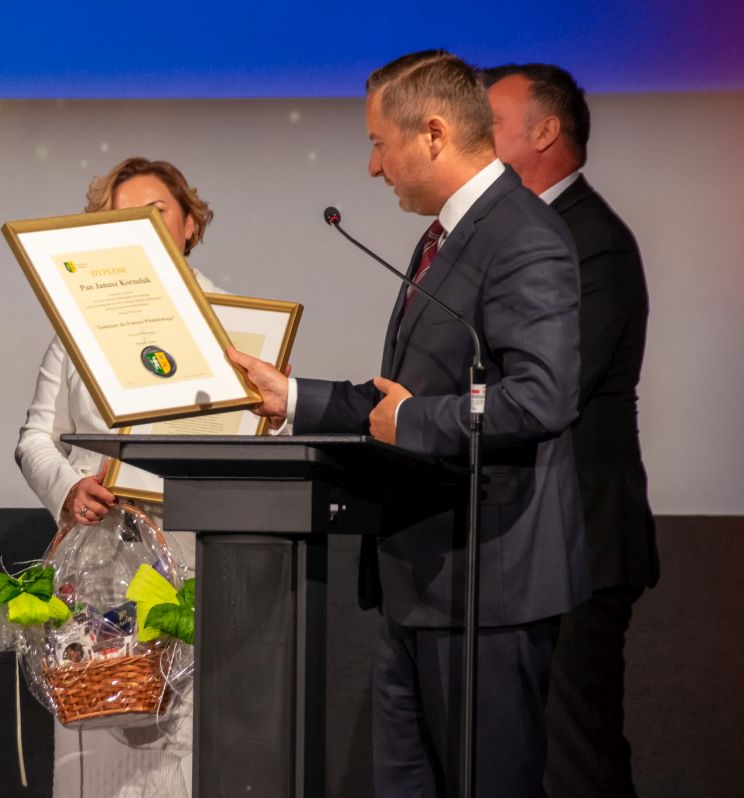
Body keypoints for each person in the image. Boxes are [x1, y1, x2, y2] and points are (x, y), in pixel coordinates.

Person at [227, 50, 589, 796]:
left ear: (432, 134)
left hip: (487, 587)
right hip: (421, 581)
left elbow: (542, 398)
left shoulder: (522, 235)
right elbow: (402, 398)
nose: (372, 167)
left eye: (377, 143)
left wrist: (417, 419)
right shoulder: (445, 237)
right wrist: (292, 399)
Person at [15, 157, 219, 798]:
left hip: (195, 557)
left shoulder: (231, 324)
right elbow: (35, 439)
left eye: (157, 212)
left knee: (185, 746)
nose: (144, 228)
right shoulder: (76, 327)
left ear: (189, 223)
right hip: (99, 563)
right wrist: (68, 488)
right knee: (95, 734)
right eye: (125, 218)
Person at [485, 63, 659, 798]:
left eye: (490, 124)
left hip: (581, 539)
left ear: (545, 132)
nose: (473, 138)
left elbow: (550, 390)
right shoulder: (531, 232)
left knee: (576, 756)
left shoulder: (593, 241)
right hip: (535, 541)